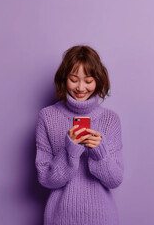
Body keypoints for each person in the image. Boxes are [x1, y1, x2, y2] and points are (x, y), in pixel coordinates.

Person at [35, 45, 124, 225]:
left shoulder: (110, 120)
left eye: (88, 80)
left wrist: (101, 153)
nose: (81, 87)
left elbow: (114, 180)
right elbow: (45, 178)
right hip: (60, 218)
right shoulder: (47, 117)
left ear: (98, 81)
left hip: (102, 218)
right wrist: (70, 151)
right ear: (64, 79)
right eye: (74, 79)